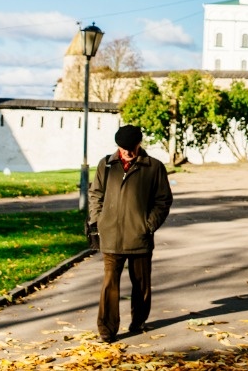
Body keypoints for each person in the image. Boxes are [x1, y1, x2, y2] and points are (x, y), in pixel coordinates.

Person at [87, 124, 173, 343]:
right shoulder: (106, 165)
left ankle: (138, 321)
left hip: (140, 237)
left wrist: (148, 225)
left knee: (141, 284)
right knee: (109, 285)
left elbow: (163, 201)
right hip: (111, 237)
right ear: (118, 146)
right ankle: (106, 330)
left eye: (131, 147)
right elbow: (95, 194)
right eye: (123, 148)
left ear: (139, 144)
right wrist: (98, 220)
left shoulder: (153, 167)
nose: (128, 152)